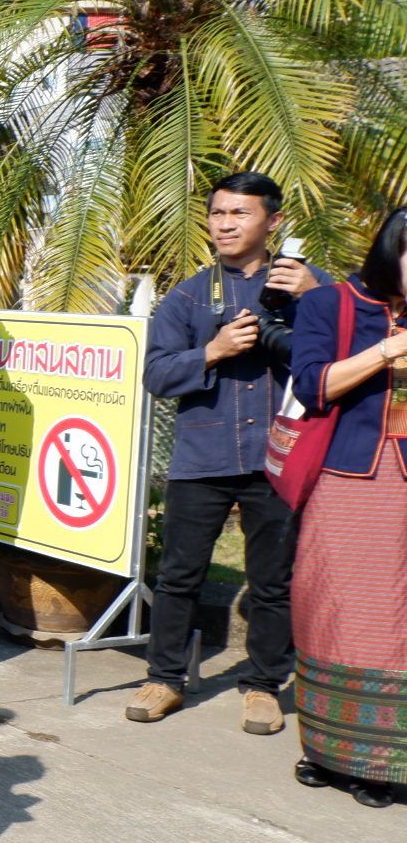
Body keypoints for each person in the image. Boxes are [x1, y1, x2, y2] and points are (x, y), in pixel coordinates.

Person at [132, 172, 326, 731]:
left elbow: (352, 351)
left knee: (273, 580)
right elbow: (156, 375)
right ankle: (164, 679)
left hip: (280, 457)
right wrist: (212, 352)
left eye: (239, 214)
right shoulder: (189, 295)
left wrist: (314, 301)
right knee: (178, 575)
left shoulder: (308, 285)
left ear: (274, 221)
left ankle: (263, 684)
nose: (224, 224)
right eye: (217, 213)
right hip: (202, 457)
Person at [287, 207, 407, 806]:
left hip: (403, 484)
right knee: (331, 609)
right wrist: (387, 351)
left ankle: (384, 761)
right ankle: (328, 751)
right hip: (346, 478)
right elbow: (313, 385)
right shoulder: (331, 304)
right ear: (392, 250)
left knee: (395, 623)